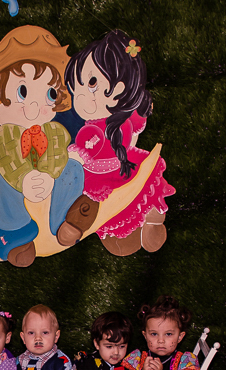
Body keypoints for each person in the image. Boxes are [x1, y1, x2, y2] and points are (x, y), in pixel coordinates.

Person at [0, 26, 96, 267]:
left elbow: (58, 153)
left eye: (49, 94)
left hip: (48, 178)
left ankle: (67, 221)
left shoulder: (56, 131)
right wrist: (25, 179)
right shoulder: (4, 135)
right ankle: (15, 235)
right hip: (20, 179)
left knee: (73, 169)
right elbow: (7, 160)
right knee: (1, 184)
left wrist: (49, 175)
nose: (36, 106)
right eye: (23, 91)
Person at [64, 30, 175, 256]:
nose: (81, 96)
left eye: (91, 83)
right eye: (77, 86)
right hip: (104, 175)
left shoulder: (105, 125)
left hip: (117, 169)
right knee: (102, 207)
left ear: (121, 87)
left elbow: (83, 150)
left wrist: (73, 154)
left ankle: (151, 220)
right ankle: (116, 231)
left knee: (141, 190)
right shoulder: (94, 126)